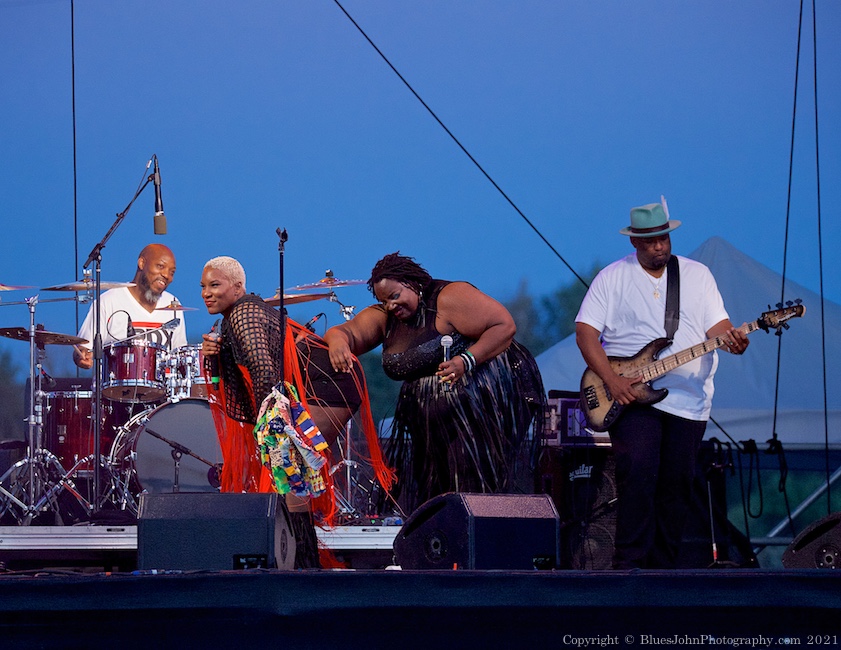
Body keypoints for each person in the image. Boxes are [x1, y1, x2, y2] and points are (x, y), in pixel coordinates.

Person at [575, 200, 750, 570]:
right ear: (635, 241)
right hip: (631, 397)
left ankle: (663, 574)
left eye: (664, 238)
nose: (660, 246)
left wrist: (733, 338)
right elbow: (585, 332)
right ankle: (629, 568)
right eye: (652, 240)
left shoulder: (697, 275)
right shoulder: (612, 277)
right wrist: (612, 380)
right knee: (638, 471)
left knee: (676, 487)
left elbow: (717, 326)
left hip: (689, 401)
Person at [199, 256, 389, 568]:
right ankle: (302, 563)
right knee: (289, 475)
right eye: (203, 287)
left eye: (214, 285)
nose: (206, 292)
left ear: (237, 287)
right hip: (311, 389)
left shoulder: (243, 314)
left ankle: (302, 565)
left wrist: (274, 423)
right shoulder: (236, 315)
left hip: (326, 384)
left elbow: (263, 370)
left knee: (289, 470)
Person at [325, 252, 545, 515]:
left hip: (482, 397)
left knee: (469, 476)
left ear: (412, 283)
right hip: (431, 413)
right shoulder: (387, 317)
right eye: (385, 301)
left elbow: (504, 325)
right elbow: (348, 331)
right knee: (435, 486)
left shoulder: (449, 298)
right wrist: (337, 340)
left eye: (395, 296)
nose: (391, 306)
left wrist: (466, 361)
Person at [73, 243, 188, 369]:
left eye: (172, 272)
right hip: (116, 386)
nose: (166, 275)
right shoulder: (108, 301)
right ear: (142, 263)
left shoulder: (173, 304)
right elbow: (82, 348)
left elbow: (180, 353)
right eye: (160, 266)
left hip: (162, 387)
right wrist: (82, 356)